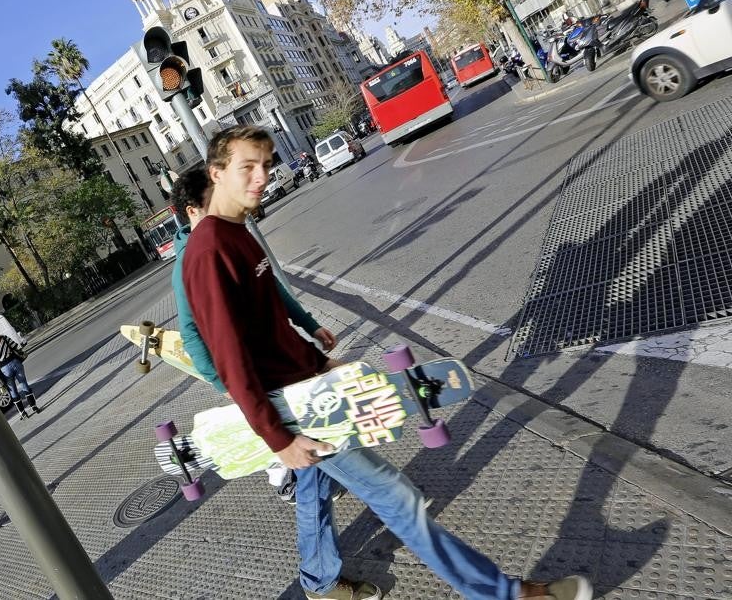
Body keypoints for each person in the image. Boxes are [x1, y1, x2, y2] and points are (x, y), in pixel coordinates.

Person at [182, 124, 592, 600]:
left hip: (309, 391)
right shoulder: (209, 250)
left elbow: (269, 329)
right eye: (247, 167)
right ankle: (507, 595)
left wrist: (319, 361)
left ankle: (318, 583)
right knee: (397, 497)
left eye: (268, 165)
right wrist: (279, 438)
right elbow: (230, 358)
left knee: (314, 491)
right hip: (297, 414)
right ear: (217, 173)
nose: (262, 177)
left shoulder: (239, 233)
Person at [170, 166, 341, 505]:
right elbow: (191, 335)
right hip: (257, 371)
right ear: (193, 210)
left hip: (288, 357)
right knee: (289, 435)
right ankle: (287, 480)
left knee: (309, 440)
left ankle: (318, 518)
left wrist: (309, 325)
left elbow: (273, 287)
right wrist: (225, 385)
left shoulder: (232, 234)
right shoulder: (192, 262)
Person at [0, 325, 37, 418]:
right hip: (15, 363)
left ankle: (22, 413)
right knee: (24, 384)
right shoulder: (4, 338)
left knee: (13, 391)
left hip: (4, 370)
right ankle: (34, 406)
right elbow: (16, 346)